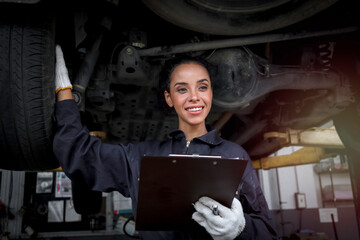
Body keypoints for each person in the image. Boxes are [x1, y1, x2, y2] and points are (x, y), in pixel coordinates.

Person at [53, 45, 278, 239]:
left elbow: (269, 234)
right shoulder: (142, 157)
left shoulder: (235, 155)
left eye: (202, 87)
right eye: (182, 89)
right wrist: (65, 93)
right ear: (169, 98)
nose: (194, 97)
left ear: (210, 94)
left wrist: (241, 229)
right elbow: (81, 155)